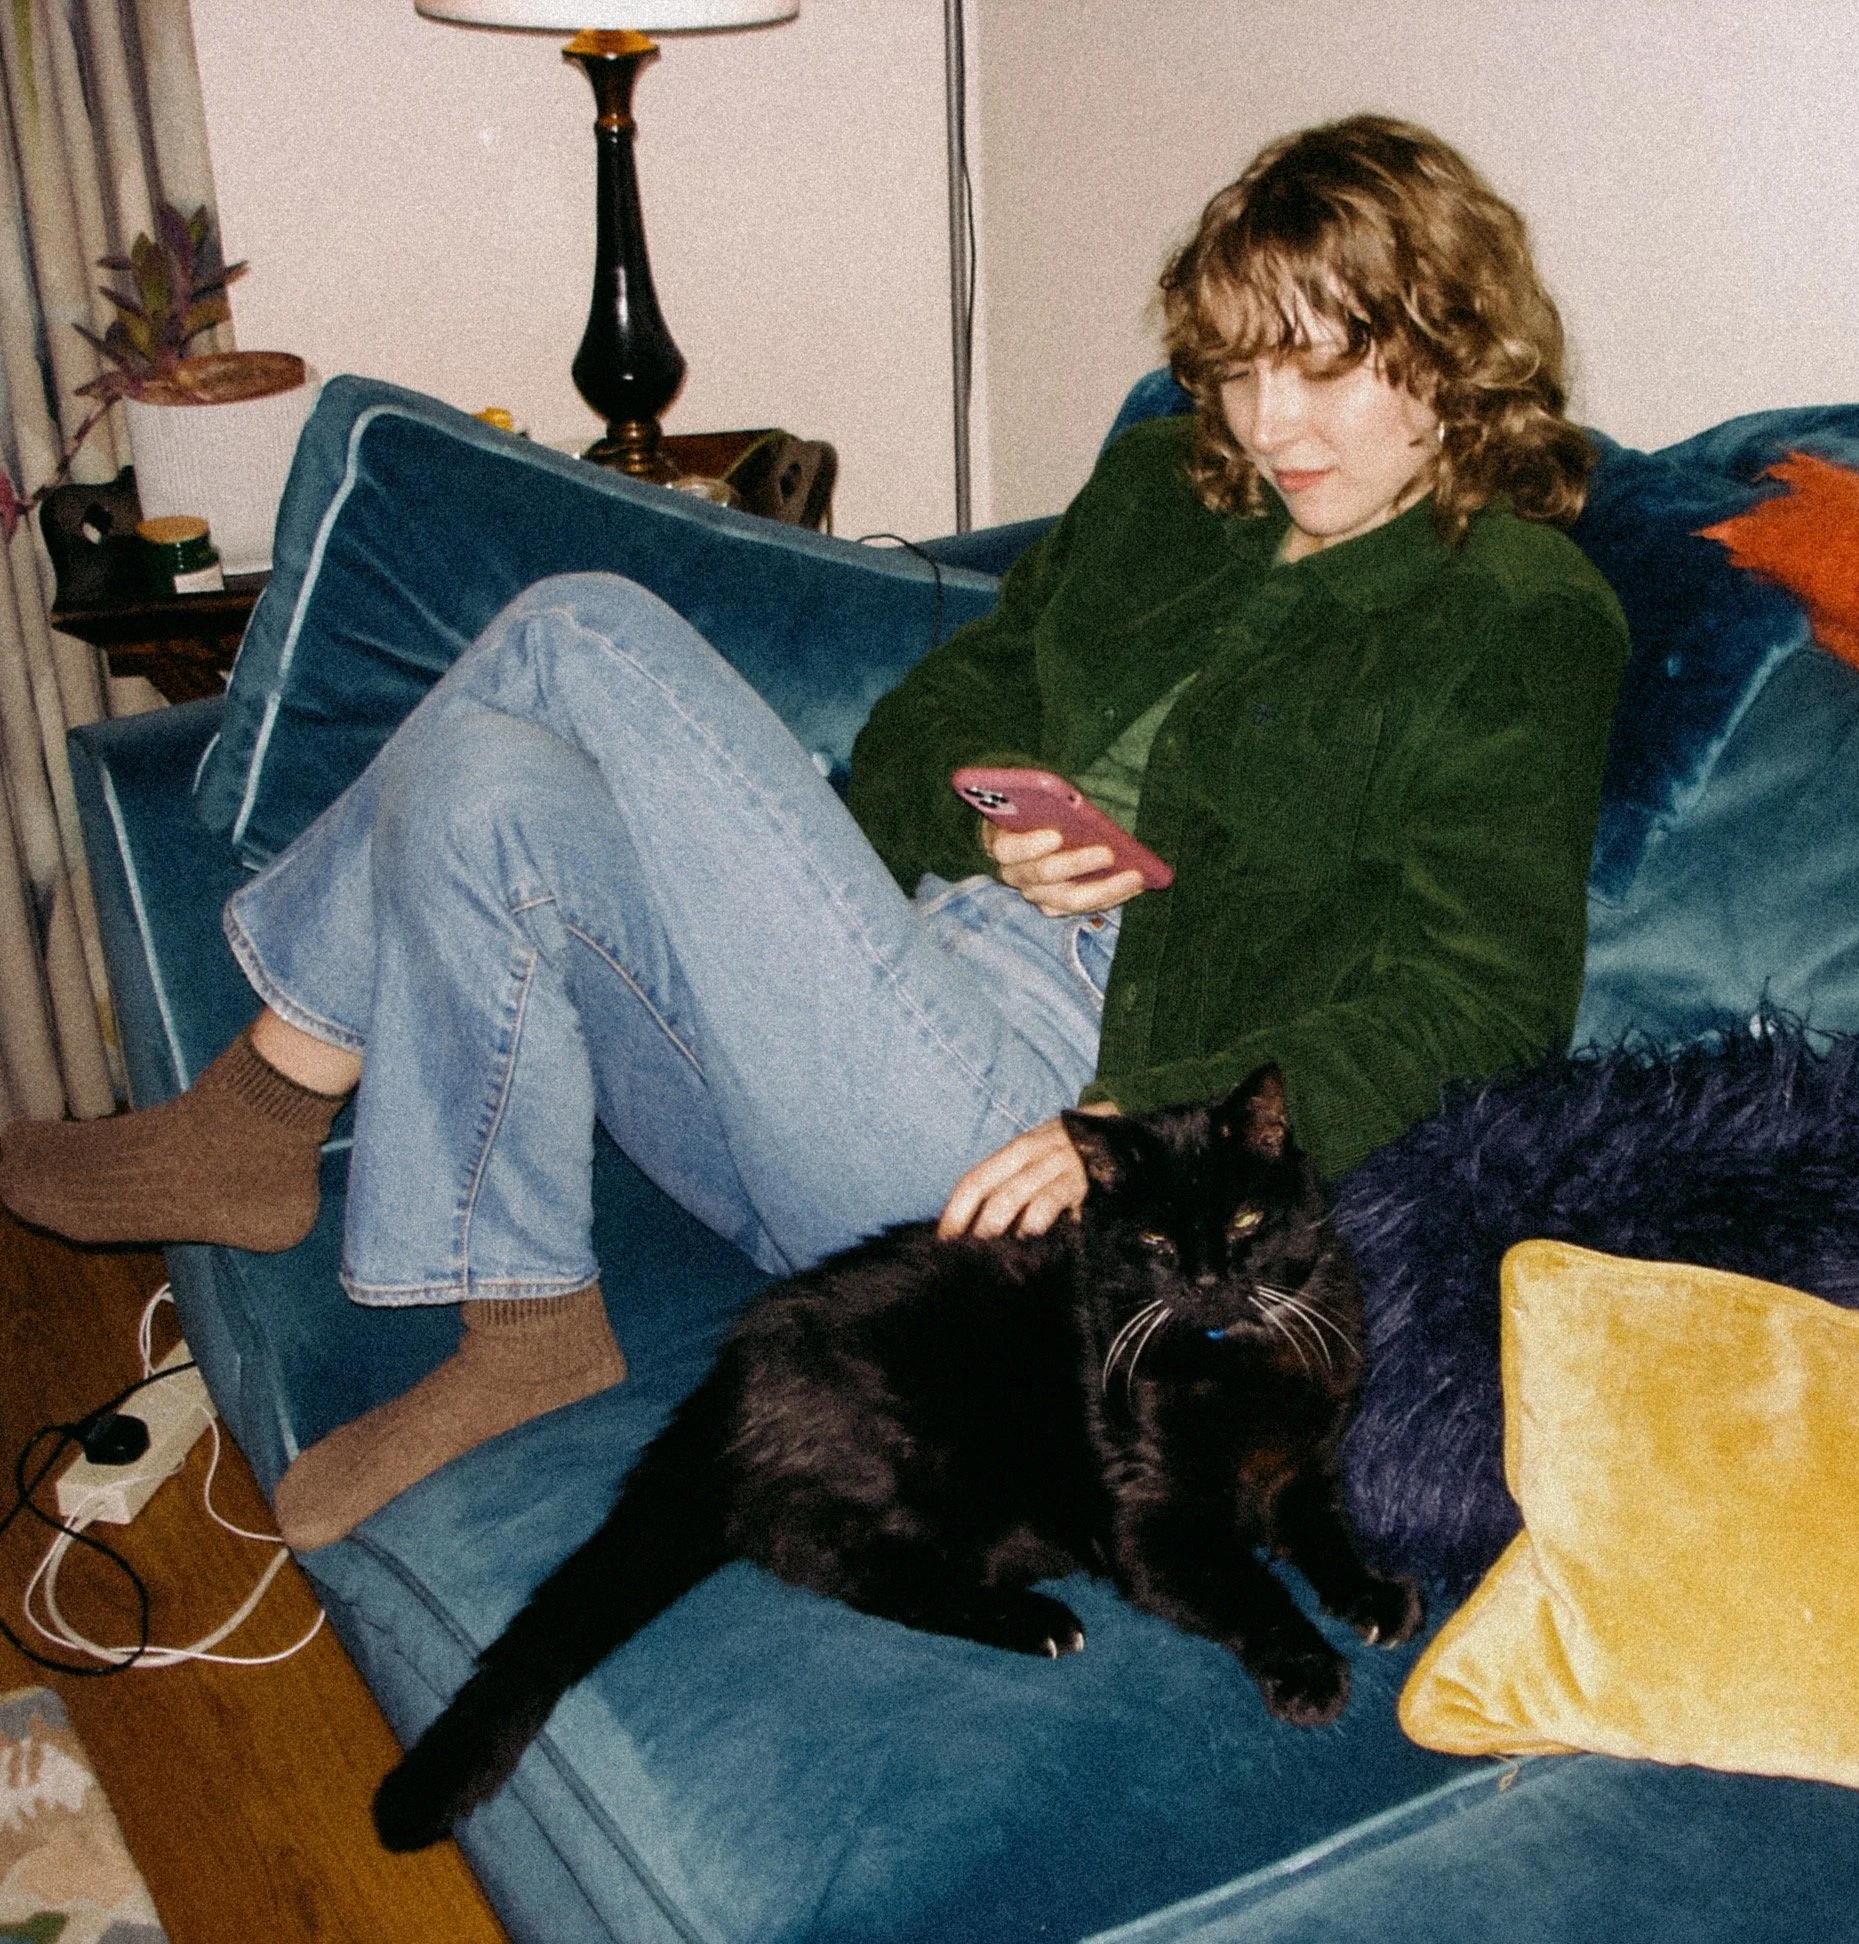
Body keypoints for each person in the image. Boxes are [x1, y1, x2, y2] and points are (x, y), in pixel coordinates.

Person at [0, 116, 1628, 1551]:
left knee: (575, 626)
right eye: (1242, 366)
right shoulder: (1163, 493)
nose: (1276, 422)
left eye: (1325, 362)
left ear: (1446, 348)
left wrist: (1143, 1135)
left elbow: (1482, 995)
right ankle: (524, 1320)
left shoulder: (1518, 614)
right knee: (490, 772)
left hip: (1030, 1156)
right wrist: (1001, 816)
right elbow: (926, 724)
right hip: (853, 1044)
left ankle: (266, 1098)